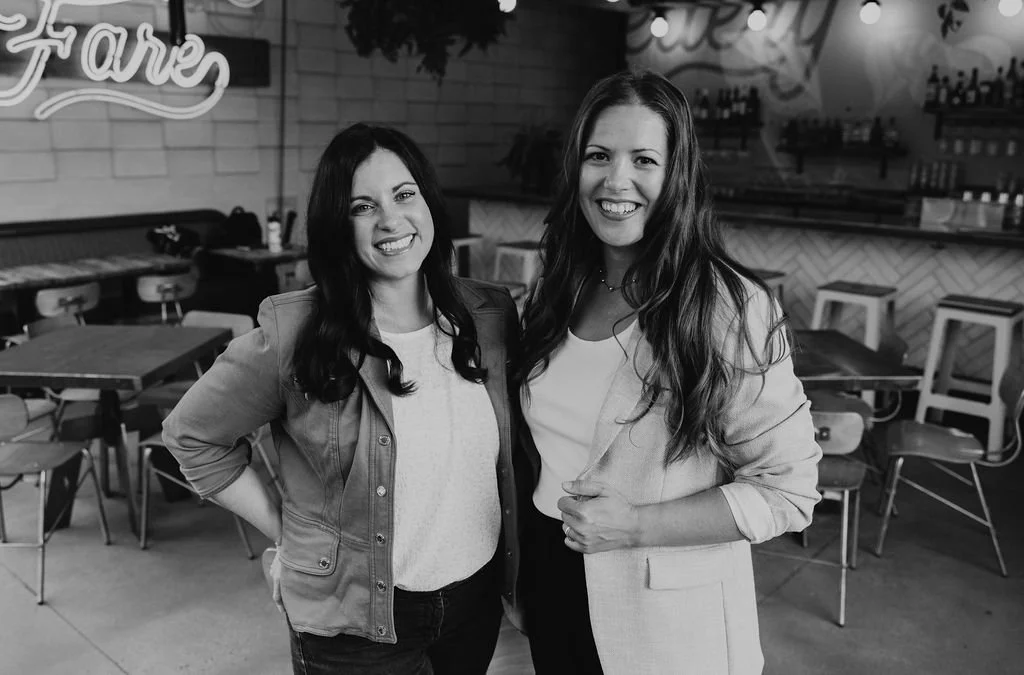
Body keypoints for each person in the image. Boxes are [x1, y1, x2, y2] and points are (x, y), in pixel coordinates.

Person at [162, 123, 521, 675]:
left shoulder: (489, 315)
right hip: (357, 625)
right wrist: (293, 536)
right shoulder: (297, 331)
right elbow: (192, 435)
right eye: (362, 206)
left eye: (405, 194)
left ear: (428, 203)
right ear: (337, 226)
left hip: (474, 602)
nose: (391, 220)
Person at [513, 69, 822, 675]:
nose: (615, 180)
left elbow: (789, 491)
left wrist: (632, 526)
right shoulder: (558, 286)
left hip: (663, 618)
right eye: (598, 155)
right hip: (553, 584)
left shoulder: (727, 307)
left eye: (644, 159)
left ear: (677, 175)